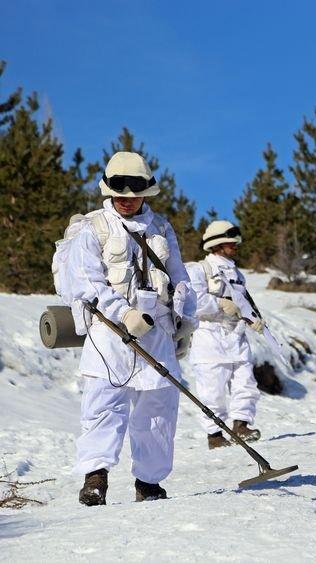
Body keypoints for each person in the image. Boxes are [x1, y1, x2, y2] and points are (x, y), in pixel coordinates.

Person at [66, 151, 197, 506]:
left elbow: (179, 276)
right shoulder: (92, 227)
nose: (126, 201)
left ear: (145, 194)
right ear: (109, 192)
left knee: (158, 409)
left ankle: (149, 482)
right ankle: (96, 477)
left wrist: (185, 320)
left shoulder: (161, 228)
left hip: (156, 333)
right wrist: (123, 314)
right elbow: (87, 281)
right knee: (104, 406)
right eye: (119, 195)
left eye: (133, 194)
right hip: (110, 333)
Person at [186, 221, 263, 449]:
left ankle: (241, 424)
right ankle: (215, 434)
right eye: (230, 242)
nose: (235, 245)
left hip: (236, 337)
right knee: (213, 392)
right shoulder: (199, 269)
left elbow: (241, 303)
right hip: (210, 339)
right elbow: (192, 302)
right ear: (217, 243)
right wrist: (219, 303)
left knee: (246, 383)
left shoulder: (238, 274)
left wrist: (253, 319)